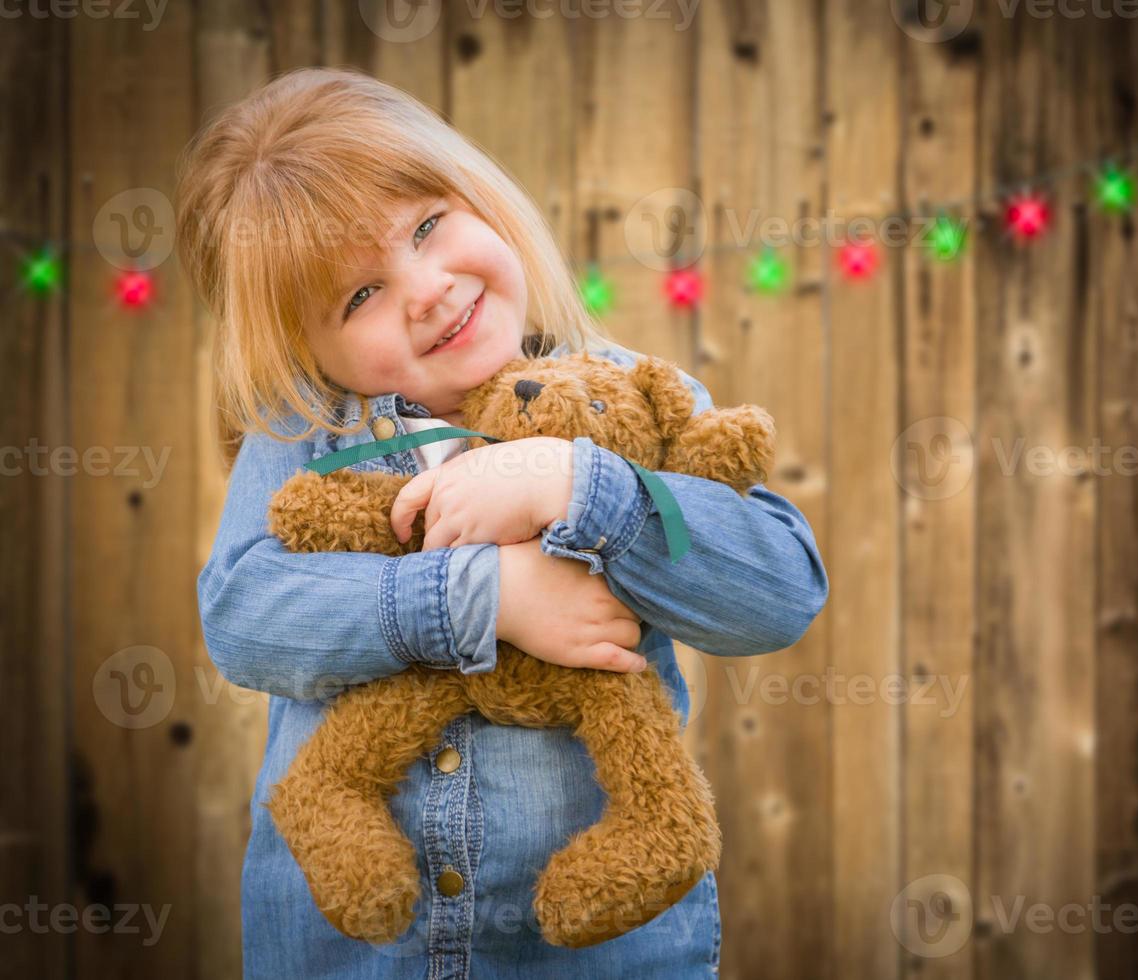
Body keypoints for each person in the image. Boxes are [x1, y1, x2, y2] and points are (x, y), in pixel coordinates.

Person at [177, 67, 828, 979]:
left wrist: (581, 485)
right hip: (358, 958)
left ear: (482, 198)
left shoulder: (634, 400)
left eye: (428, 226)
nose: (428, 289)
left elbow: (778, 593)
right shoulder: (308, 436)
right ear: (304, 352)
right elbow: (246, 616)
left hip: (592, 959)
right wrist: (479, 596)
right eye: (358, 295)